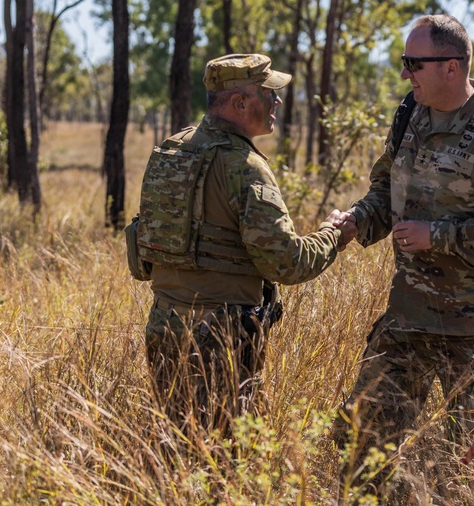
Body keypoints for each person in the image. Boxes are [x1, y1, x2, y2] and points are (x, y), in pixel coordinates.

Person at [332, 14, 474, 492]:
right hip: (410, 313)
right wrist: (353, 222)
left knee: (470, 459)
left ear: (451, 67)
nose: (406, 74)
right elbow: (384, 191)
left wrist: (439, 236)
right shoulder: (411, 114)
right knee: (360, 439)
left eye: (414, 64)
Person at [129, 53, 349, 433]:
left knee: (177, 449)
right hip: (218, 338)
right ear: (240, 102)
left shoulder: (172, 148)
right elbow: (287, 262)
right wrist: (336, 234)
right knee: (225, 461)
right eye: (269, 92)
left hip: (164, 327)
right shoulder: (243, 165)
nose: (277, 101)